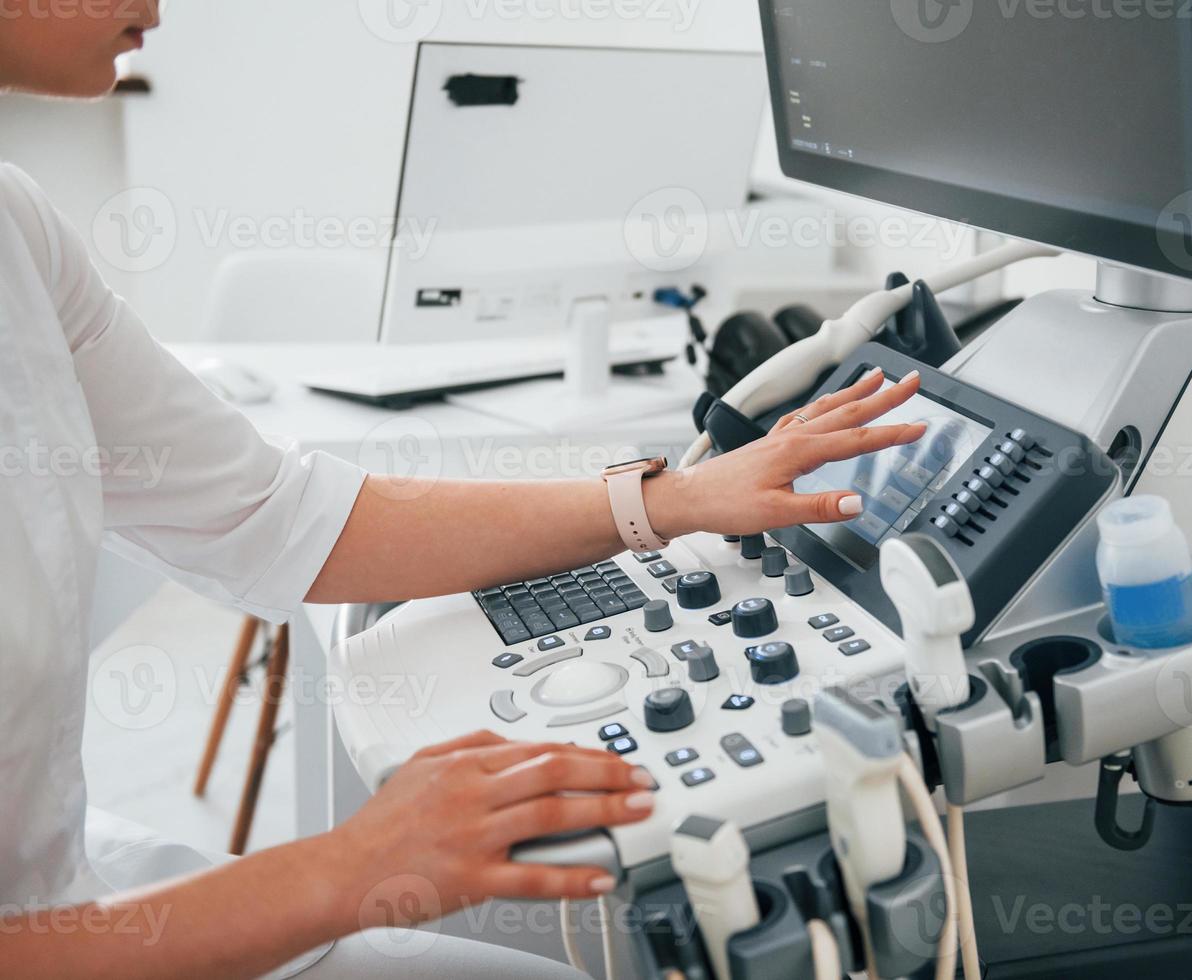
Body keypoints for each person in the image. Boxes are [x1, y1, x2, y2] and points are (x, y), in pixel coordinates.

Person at [0, 4, 928, 977]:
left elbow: (280, 517)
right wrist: (348, 867)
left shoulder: (20, 230)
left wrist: (671, 503)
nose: (156, 8)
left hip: (75, 903)